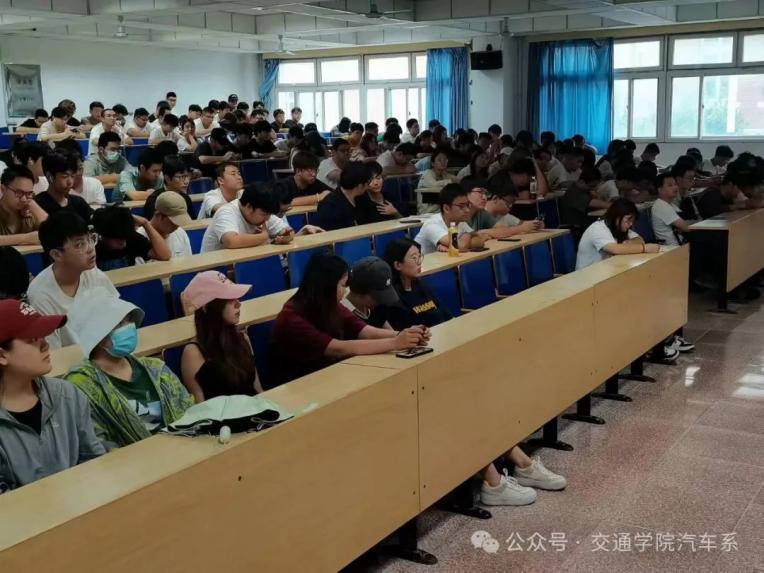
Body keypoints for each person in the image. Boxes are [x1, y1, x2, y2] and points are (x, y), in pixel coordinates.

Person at [380, 237, 567, 504]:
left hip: (448, 358)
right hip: (425, 371)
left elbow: (448, 319)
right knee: (467, 406)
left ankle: (521, 464)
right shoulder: (392, 300)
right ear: (397, 265)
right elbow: (407, 341)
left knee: (486, 395)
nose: (420, 262)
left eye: (420, 256)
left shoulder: (423, 286)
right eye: (413, 258)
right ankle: (500, 478)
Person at [267, 252, 425, 388]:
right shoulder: (291, 318)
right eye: (343, 285)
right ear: (327, 286)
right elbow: (340, 348)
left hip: (328, 376)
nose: (345, 291)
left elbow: (364, 331)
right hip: (299, 385)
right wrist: (396, 342)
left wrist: (407, 335)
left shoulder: (329, 304)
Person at [64, 291, 194, 450]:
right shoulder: (82, 386)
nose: (129, 327)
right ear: (96, 335)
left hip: (181, 452)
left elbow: (190, 414)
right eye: (119, 324)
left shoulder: (156, 369)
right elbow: (97, 447)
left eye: (128, 320)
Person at [0, 299, 105, 493]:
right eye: (32, 339)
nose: (45, 345)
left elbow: (93, 459)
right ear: (2, 356)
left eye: (43, 336)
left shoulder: (68, 395)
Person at [28, 212, 118, 349]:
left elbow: (116, 317)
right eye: (80, 244)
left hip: (104, 351)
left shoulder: (93, 273)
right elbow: (54, 353)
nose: (91, 248)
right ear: (57, 254)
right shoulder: (40, 295)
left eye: (90, 239)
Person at [179, 272, 258, 402]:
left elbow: (257, 390)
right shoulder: (193, 354)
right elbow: (201, 408)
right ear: (206, 307)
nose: (238, 304)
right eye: (229, 299)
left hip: (256, 410)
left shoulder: (243, 338)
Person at [576, 199, 659, 269]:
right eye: (628, 220)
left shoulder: (619, 227)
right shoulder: (598, 228)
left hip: (606, 270)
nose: (630, 224)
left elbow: (639, 239)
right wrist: (644, 248)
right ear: (616, 217)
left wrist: (628, 243)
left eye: (632, 221)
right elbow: (614, 249)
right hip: (588, 275)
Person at [200, 185, 283, 252]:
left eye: (269, 214)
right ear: (249, 207)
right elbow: (230, 241)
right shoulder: (226, 212)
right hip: (216, 267)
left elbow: (285, 230)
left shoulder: (262, 210)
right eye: (264, 214)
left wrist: (285, 236)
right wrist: (263, 237)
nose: (267, 219)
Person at [414, 183, 485, 255]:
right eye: (461, 206)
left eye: (467, 205)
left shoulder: (460, 222)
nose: (467, 210)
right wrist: (469, 234)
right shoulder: (432, 225)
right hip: (422, 261)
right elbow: (461, 246)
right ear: (446, 208)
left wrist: (465, 237)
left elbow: (480, 241)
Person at [93, 205, 171, 270]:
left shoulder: (131, 236)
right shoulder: (93, 245)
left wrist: (146, 224)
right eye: (119, 239)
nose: (124, 243)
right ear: (103, 235)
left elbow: (165, 256)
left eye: (125, 238)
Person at [316, 161, 376, 231]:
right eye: (367, 183)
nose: (368, 186)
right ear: (359, 186)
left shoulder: (362, 197)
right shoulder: (330, 206)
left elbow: (372, 220)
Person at [35, 153, 93, 223]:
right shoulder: (37, 205)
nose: (70, 182)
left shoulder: (78, 202)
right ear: (50, 177)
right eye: (65, 176)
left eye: (72, 176)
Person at [341, 256, 400, 325]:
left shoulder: (377, 308)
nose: (381, 302)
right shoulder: (342, 316)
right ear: (360, 292)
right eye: (378, 298)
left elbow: (388, 329)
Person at [465, 187, 542, 239]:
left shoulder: (481, 213)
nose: (484, 197)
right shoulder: (460, 215)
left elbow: (503, 230)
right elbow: (467, 241)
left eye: (485, 193)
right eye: (480, 192)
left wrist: (483, 232)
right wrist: (522, 228)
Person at [0, 166, 47, 246]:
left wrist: (34, 206)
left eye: (29, 193)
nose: (24, 199)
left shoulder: (29, 211)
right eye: (19, 193)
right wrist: (26, 238)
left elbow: (57, 234)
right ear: (3, 189)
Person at [140, 191, 192, 259]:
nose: (177, 226)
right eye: (172, 222)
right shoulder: (139, 238)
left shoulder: (181, 233)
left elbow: (188, 261)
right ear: (158, 215)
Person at [143, 155, 193, 220]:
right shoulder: (155, 200)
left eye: (187, 176)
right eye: (181, 177)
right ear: (167, 178)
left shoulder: (186, 198)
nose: (186, 181)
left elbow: (191, 222)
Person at [651, 173, 689, 247]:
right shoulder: (661, 206)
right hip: (672, 247)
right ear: (660, 190)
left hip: (681, 242)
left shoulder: (670, 204)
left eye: (675, 184)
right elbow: (686, 227)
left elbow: (685, 222)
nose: (675, 187)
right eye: (670, 185)